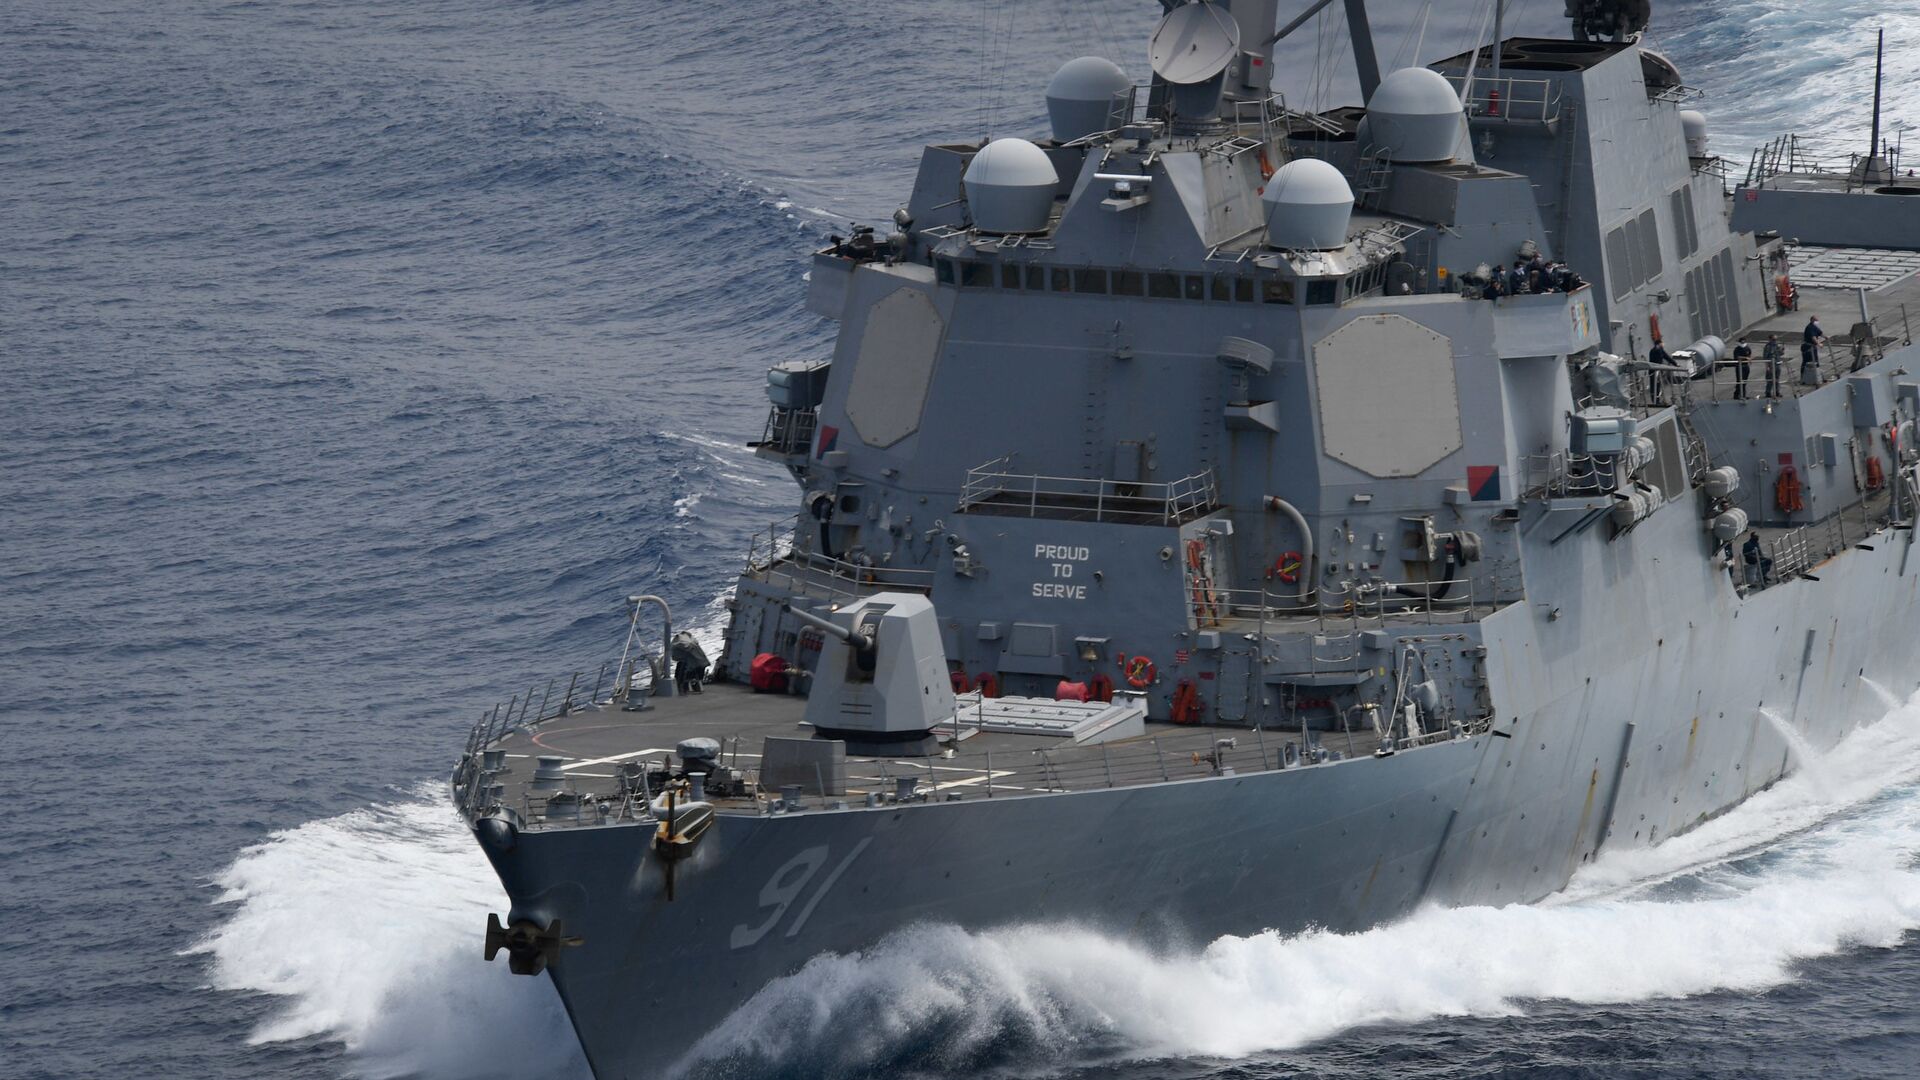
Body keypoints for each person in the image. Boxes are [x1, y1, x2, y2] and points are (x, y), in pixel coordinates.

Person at [1801, 315, 1826, 386]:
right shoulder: (1809, 327)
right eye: (1816, 320)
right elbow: (1813, 338)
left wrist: (1826, 337)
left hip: (1812, 347)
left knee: (1816, 361)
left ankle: (1818, 378)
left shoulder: (1814, 327)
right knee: (1806, 362)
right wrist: (1819, 344)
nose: (1817, 322)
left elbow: (1820, 333)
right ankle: (1803, 378)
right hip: (1807, 346)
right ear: (1812, 320)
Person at [1648, 340, 1672, 404]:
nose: (1663, 344)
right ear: (1658, 344)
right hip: (1653, 371)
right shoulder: (1653, 351)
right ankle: (1654, 401)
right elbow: (1654, 361)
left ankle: (1657, 400)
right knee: (1654, 386)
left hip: (1658, 370)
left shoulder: (1661, 350)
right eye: (1662, 343)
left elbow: (1667, 357)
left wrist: (1676, 364)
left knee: (1658, 386)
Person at [1762, 333, 1784, 398]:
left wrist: (1782, 350)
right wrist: (1767, 367)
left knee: (1777, 379)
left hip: (1777, 364)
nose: (1775, 341)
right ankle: (1768, 393)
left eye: (1776, 339)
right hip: (1771, 365)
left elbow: (1780, 354)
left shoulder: (1776, 346)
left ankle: (1777, 392)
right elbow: (1765, 357)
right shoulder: (1768, 347)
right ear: (1770, 339)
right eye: (1773, 339)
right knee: (1770, 380)